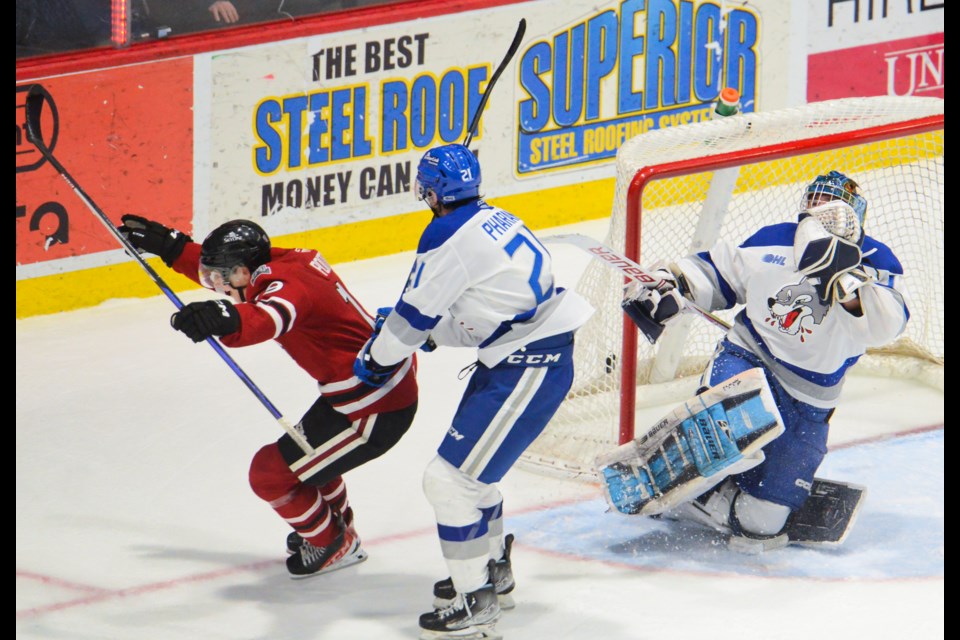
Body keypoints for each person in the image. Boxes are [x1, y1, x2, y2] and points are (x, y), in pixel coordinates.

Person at [351, 143, 594, 639]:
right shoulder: (493, 217)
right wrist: (431, 335)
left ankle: (475, 600)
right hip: (522, 353)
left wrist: (376, 360)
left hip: (528, 364)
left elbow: (412, 317)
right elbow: (488, 312)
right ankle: (491, 572)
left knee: (449, 483)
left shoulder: (446, 233)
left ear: (428, 191)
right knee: (473, 481)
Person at [620, 170, 909, 549]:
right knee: (727, 434)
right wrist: (673, 282)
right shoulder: (775, 239)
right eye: (813, 203)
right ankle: (676, 477)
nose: (818, 213)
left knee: (762, 524)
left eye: (831, 208)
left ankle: (700, 500)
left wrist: (843, 281)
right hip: (749, 358)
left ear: (855, 217)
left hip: (810, 399)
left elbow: (885, 325)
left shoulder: (877, 261)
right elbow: (719, 273)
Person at [117, 215, 418, 577]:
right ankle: (335, 525)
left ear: (244, 272)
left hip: (373, 409)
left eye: (219, 279)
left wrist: (224, 318)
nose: (215, 285)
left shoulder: (287, 288)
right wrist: (174, 248)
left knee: (270, 474)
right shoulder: (283, 261)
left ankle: (331, 542)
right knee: (311, 464)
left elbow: (268, 317)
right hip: (365, 390)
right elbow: (245, 286)